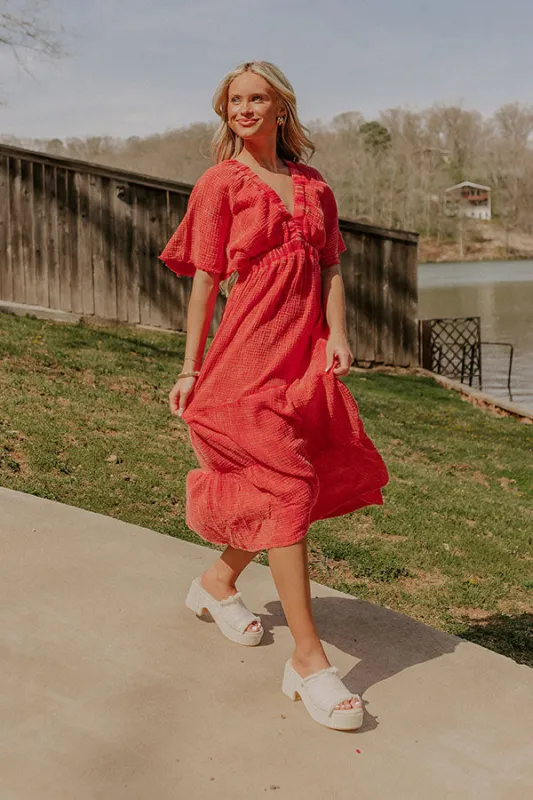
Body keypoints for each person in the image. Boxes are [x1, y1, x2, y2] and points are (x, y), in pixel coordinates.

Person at [159, 60, 389, 731]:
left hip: (301, 363)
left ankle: (216, 584)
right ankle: (309, 662)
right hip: (241, 365)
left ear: (280, 108)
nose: (245, 109)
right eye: (235, 100)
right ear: (224, 110)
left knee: (291, 489)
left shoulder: (313, 186)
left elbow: (331, 266)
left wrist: (337, 334)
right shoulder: (220, 184)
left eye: (258, 99)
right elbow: (203, 284)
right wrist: (188, 368)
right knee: (287, 491)